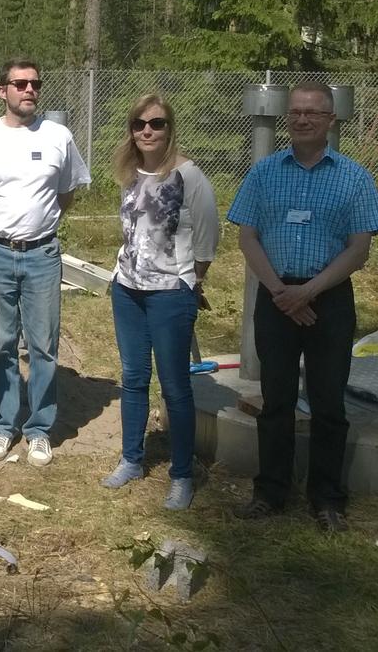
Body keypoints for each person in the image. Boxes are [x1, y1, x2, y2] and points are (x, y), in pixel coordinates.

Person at [227, 81, 378, 532]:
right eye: (295, 112)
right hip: (276, 297)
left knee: (328, 402)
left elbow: (360, 249)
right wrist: (281, 291)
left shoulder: (354, 178)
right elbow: (246, 236)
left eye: (312, 113)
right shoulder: (264, 173)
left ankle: (327, 499)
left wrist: (309, 291)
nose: (301, 120)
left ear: (330, 120)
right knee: (275, 400)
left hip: (329, 301)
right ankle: (270, 493)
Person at [0, 59, 91, 467]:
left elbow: (66, 193)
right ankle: (4, 423)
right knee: (1, 343)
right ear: (3, 90)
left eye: (34, 83)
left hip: (43, 255)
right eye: (20, 84)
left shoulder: (59, 136)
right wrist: (7, 229)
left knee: (43, 345)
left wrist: (38, 227)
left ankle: (38, 429)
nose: (29, 90)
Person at [100, 94, 219, 510]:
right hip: (127, 291)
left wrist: (192, 280)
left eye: (157, 123)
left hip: (171, 295)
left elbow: (207, 240)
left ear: (170, 128)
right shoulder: (130, 174)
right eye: (139, 124)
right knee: (133, 378)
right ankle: (131, 459)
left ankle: (182, 475)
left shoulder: (189, 176)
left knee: (174, 387)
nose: (147, 131)